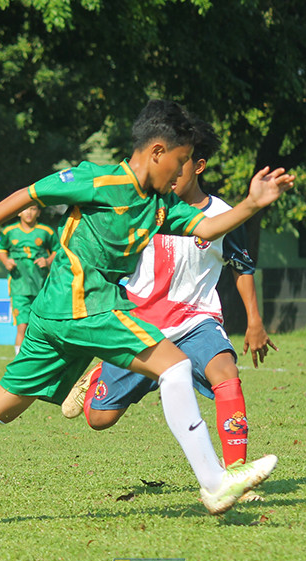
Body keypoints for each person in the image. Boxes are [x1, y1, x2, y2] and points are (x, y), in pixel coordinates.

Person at [0, 100, 294, 515]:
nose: (182, 172)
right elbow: (28, 194)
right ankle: (214, 482)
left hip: (57, 315)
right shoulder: (97, 179)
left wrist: (252, 204)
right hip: (82, 305)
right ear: (158, 152)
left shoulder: (159, 206)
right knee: (174, 367)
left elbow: (209, 225)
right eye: (180, 161)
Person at [61, 117, 276, 483]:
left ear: (198, 165)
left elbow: (242, 266)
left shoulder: (221, 215)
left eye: (182, 164)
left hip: (196, 323)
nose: (173, 172)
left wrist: (254, 322)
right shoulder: (145, 207)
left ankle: (236, 474)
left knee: (227, 375)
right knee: (99, 418)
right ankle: (98, 374)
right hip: (140, 325)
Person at [0, 203, 60, 354]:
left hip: (41, 284)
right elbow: (0, 248)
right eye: (25, 209)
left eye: (33, 209)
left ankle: (41, 357)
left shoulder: (46, 231)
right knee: (22, 325)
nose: (29, 213)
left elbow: (57, 249)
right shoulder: (9, 231)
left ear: (38, 213)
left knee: (41, 325)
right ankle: (19, 360)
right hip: (19, 285)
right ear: (18, 212)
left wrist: (48, 261)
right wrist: (6, 261)